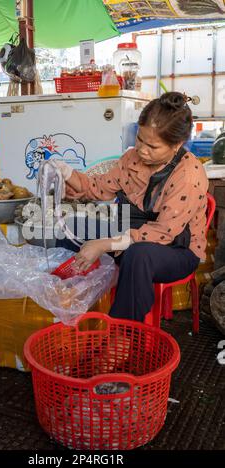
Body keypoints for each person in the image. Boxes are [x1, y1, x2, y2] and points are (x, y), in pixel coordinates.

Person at [54, 92, 209, 322]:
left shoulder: (188, 176)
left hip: (175, 250)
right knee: (73, 225)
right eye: (140, 139)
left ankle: (124, 331)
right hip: (129, 233)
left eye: (153, 146)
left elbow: (163, 233)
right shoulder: (133, 159)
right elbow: (98, 187)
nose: (142, 150)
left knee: (138, 256)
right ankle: (68, 298)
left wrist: (104, 244)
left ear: (177, 144)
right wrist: (64, 171)